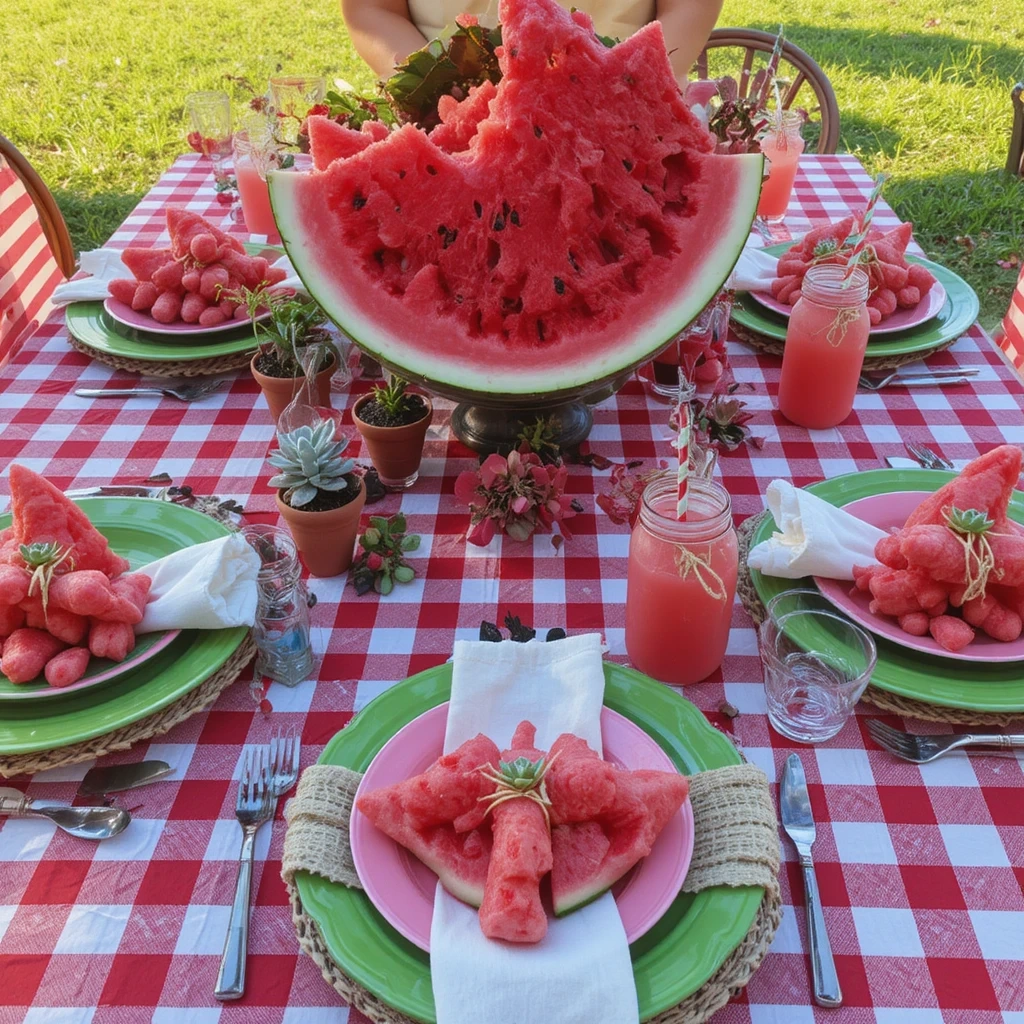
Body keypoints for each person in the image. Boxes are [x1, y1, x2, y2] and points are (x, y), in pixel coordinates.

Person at [342, 0, 723, 84]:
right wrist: (435, 90)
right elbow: (373, 9)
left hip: (629, 110)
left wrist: (628, 87)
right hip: (442, 119)